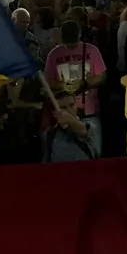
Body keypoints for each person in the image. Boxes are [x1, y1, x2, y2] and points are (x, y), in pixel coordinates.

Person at [44, 20, 106, 157]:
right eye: (68, 43)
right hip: (63, 113)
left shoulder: (92, 50)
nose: (71, 46)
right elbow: (47, 81)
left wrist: (84, 83)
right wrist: (63, 86)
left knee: (93, 152)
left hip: (89, 111)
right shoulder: (54, 54)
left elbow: (102, 77)